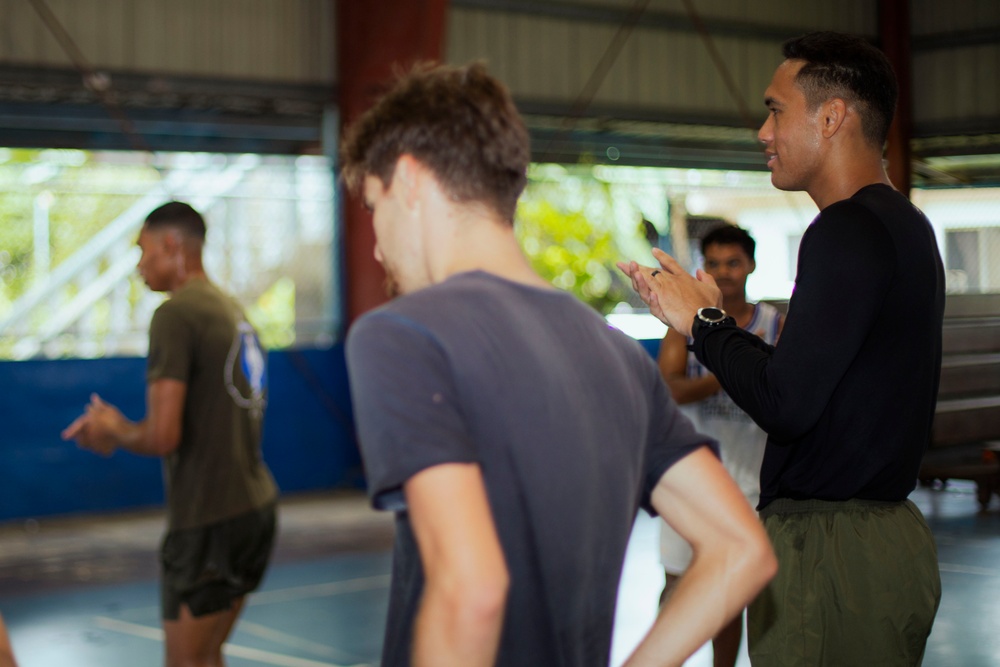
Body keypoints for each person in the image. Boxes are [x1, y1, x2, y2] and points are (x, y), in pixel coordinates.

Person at [340, 62, 776, 667]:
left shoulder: (404, 334)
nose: (378, 245)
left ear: (410, 181)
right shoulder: (617, 354)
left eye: (373, 205)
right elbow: (740, 548)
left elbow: (471, 590)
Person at [620, 31, 944, 666]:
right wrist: (715, 324)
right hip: (880, 542)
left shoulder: (843, 230)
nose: (763, 133)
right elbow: (810, 385)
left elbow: (786, 403)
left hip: (831, 552)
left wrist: (703, 322)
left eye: (775, 110)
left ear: (831, 116)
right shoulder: (904, 224)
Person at [62, 201, 278, 667]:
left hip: (208, 522)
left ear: (171, 246)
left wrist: (114, 428)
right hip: (254, 511)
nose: (140, 266)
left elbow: (163, 437)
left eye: (143, 252)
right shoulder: (231, 308)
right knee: (208, 655)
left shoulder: (175, 315)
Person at [656, 225, 783, 667]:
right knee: (676, 585)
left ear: (750, 265)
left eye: (733, 262)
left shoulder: (774, 322)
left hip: (748, 481)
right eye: (714, 263)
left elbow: (784, 395)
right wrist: (731, 371)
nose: (724, 273)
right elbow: (670, 387)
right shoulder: (684, 320)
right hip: (691, 479)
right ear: (702, 267)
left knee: (728, 593)